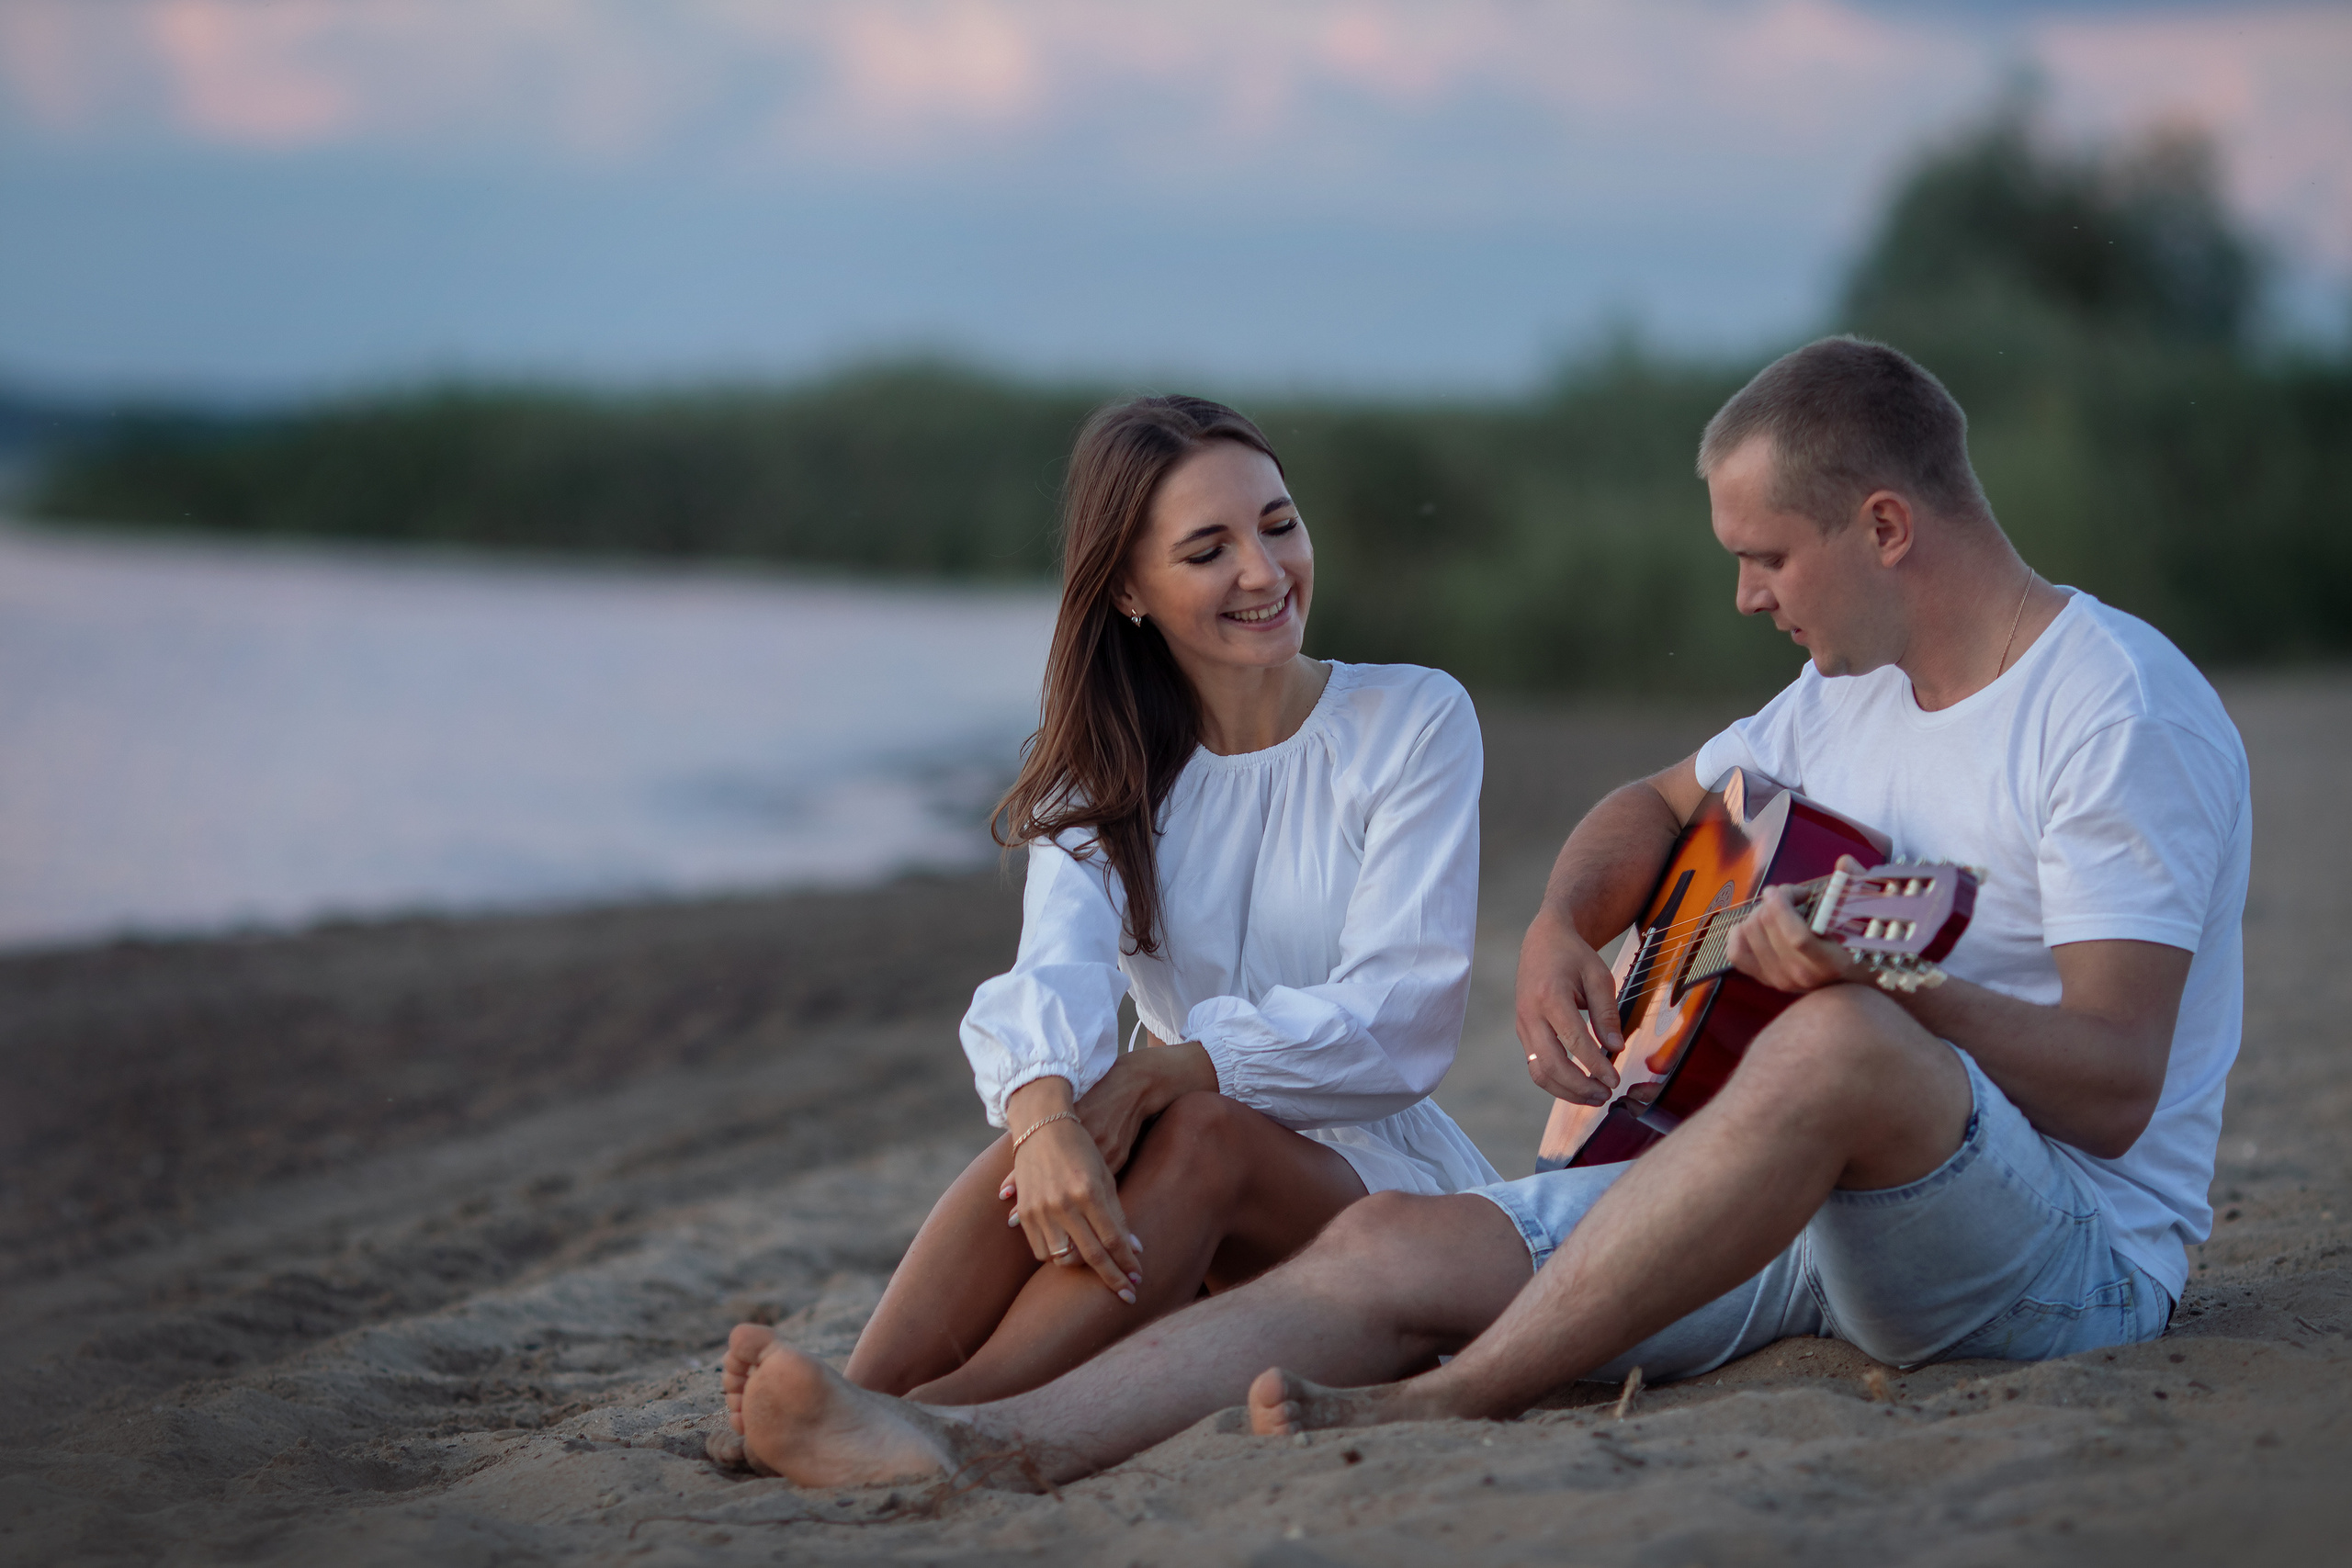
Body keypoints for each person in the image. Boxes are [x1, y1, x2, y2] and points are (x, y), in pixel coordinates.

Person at [710, 336, 2250, 1489]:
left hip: (2064, 1262)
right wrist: (1562, 930)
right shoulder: (1838, 699)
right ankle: (977, 1442)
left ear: (1888, 530)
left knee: (1841, 1037)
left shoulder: (2112, 713)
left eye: (1765, 558)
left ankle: (1460, 1398)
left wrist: (1899, 996)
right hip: (1823, 1210)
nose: (1746, 599)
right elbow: (1656, 809)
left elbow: (2116, 1086)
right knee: (1392, 1238)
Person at [709, 393, 1498, 1466]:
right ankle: (857, 1393)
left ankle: (943, 1417)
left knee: (1193, 1127)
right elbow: (1057, 968)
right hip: (1175, 1184)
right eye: (1209, 549)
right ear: (1128, 588)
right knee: (1057, 1115)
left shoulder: (1411, 720)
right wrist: (1043, 1117)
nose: (1265, 573)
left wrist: (1173, 1069)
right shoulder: (1103, 769)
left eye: (1277, 524)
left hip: (1375, 1194)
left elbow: (1399, 1015)